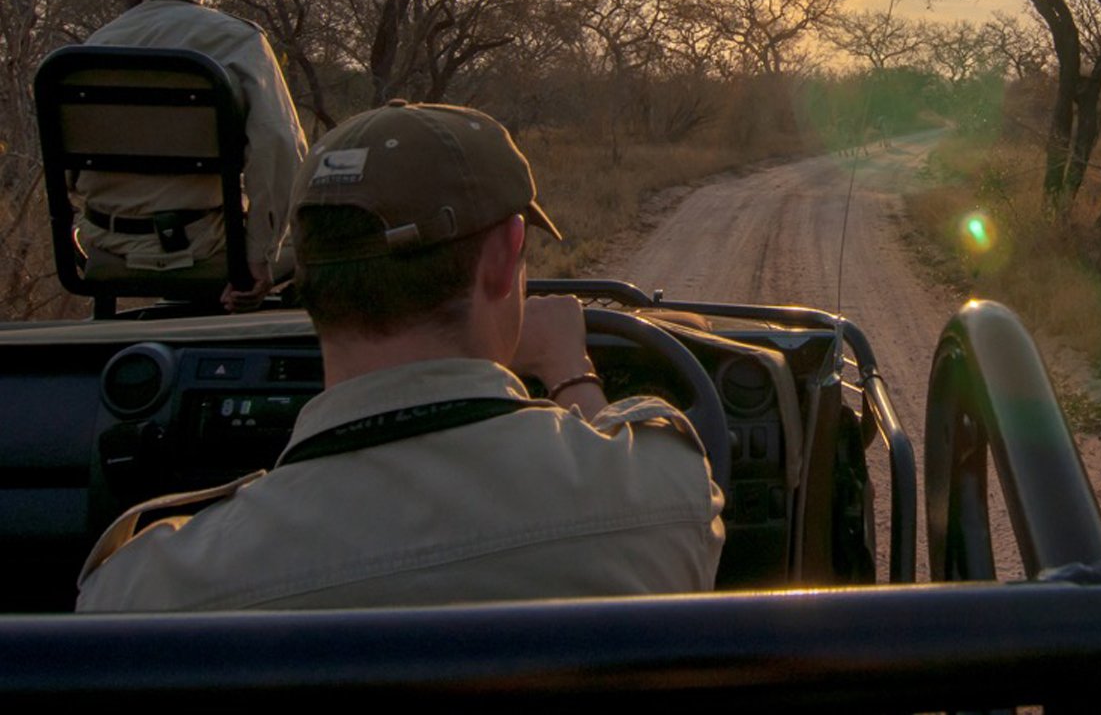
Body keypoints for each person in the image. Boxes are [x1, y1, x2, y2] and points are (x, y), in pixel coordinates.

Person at [75, 101, 725, 611]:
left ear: (305, 281)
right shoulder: (661, 494)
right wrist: (571, 376)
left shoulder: (142, 588)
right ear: (504, 259)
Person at [77, 0, 307, 311]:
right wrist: (258, 257)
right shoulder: (239, 40)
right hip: (204, 245)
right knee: (322, 240)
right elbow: (279, 144)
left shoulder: (95, 46)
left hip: (104, 241)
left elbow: (72, 174)